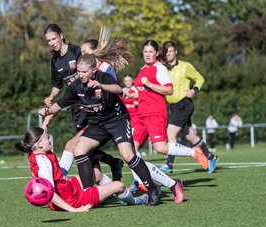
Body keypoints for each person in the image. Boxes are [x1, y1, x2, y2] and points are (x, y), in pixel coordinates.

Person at [39, 54, 186, 205]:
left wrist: (101, 86)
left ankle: (153, 189)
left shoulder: (104, 77)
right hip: (97, 124)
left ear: (93, 70)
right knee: (78, 150)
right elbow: (59, 105)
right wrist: (46, 111)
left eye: (84, 72)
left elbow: (118, 89)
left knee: (128, 155)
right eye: (78, 71)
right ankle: (90, 194)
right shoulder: (75, 86)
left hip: (118, 120)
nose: (80, 75)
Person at [43, 23, 122, 180]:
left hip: (91, 106)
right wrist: (51, 96)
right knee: (87, 151)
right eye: (48, 40)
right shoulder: (55, 61)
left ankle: (58, 181)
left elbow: (96, 69)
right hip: (77, 108)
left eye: (54, 38)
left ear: (61, 36)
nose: (52, 42)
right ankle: (110, 169)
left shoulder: (77, 51)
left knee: (74, 146)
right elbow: (57, 85)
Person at [15, 127, 150, 212]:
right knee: (119, 185)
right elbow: (49, 193)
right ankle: (136, 200)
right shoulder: (43, 161)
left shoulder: (36, 154)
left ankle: (112, 194)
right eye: (46, 138)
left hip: (68, 189)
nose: (49, 140)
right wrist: (73, 209)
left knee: (96, 173)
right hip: (72, 200)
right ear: (38, 144)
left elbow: (38, 177)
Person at [157, 40, 218, 174]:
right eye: (166, 52)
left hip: (184, 104)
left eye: (171, 51)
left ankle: (169, 165)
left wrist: (194, 91)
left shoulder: (185, 66)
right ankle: (211, 157)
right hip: (173, 107)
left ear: (176, 52)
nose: (169, 54)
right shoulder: (163, 68)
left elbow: (200, 79)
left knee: (170, 133)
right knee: (191, 137)